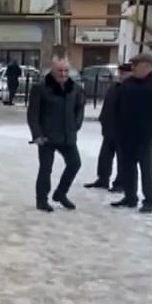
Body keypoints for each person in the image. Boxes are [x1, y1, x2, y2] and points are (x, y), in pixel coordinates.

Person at [111, 53, 152, 212]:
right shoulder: (128, 84)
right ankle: (130, 197)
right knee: (128, 167)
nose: (132, 68)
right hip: (126, 134)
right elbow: (117, 106)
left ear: (147, 66)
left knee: (146, 168)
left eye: (135, 65)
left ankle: (151, 200)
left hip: (146, 135)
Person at [26, 55, 86, 212]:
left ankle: (60, 193)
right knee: (46, 168)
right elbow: (33, 114)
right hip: (47, 136)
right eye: (60, 70)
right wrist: (37, 134)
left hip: (67, 134)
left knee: (75, 163)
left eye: (66, 70)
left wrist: (76, 125)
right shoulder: (41, 88)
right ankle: (41, 199)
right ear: (52, 70)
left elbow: (79, 109)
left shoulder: (75, 89)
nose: (64, 74)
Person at [83, 62, 131, 189]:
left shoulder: (132, 89)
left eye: (124, 73)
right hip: (109, 127)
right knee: (105, 156)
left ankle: (120, 183)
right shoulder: (114, 87)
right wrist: (102, 119)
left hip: (124, 130)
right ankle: (103, 179)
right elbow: (107, 106)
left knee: (123, 158)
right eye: (120, 72)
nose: (121, 75)